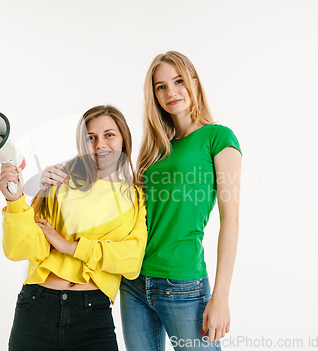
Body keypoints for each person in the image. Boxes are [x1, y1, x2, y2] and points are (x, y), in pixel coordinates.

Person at [41, 51, 242, 351]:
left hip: (182, 283)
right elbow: (115, 196)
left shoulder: (218, 138)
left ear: (195, 83)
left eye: (178, 81)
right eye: (160, 86)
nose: (171, 92)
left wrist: (222, 296)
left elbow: (232, 219)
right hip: (133, 283)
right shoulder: (155, 149)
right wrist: (57, 175)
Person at [0, 105, 147, 351]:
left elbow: (131, 262)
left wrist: (70, 247)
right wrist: (15, 202)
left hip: (93, 316)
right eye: (91, 137)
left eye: (109, 135)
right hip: (37, 307)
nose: (100, 145)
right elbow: (18, 249)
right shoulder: (59, 182)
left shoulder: (137, 197)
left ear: (124, 140)